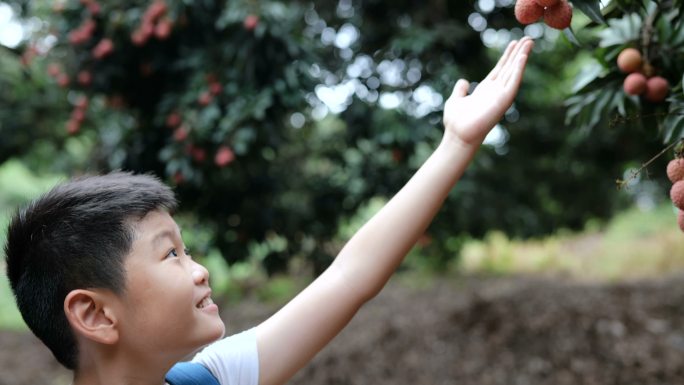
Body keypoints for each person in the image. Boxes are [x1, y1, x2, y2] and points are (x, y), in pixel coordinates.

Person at [4, 36, 534, 385]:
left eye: (185, 250)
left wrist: (457, 143)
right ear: (95, 314)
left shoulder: (208, 378)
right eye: (170, 256)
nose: (200, 270)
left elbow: (349, 278)